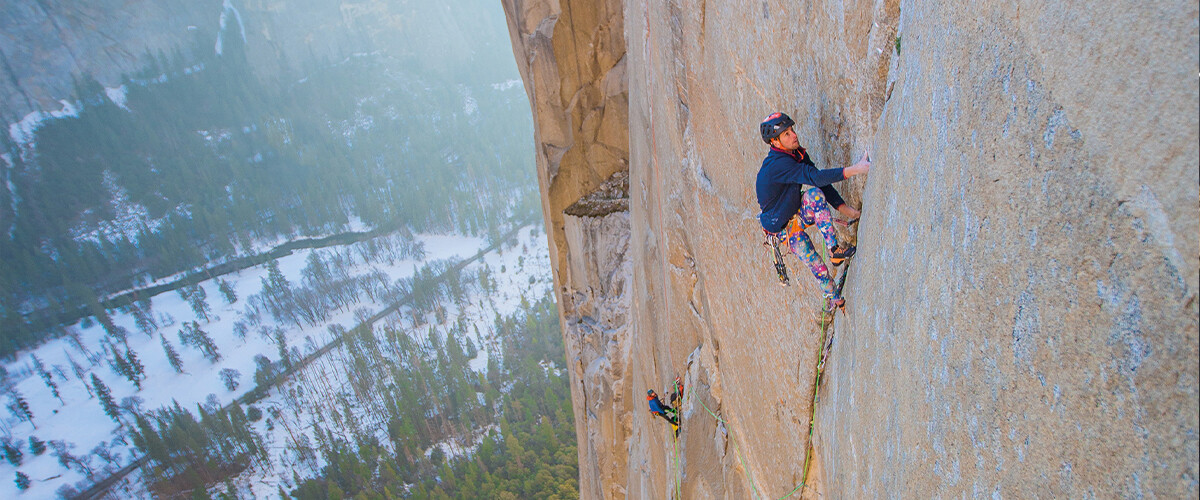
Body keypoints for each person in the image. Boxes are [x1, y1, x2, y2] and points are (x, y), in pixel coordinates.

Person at [756, 112, 871, 310]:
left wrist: (843, 208)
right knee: (816, 264)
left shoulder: (796, 154)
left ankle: (834, 250)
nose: (793, 135)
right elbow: (816, 178)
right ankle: (836, 299)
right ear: (774, 142)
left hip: (795, 212)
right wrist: (856, 169)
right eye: (786, 134)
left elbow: (817, 179)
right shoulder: (779, 164)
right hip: (783, 229)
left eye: (792, 130)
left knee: (815, 195)